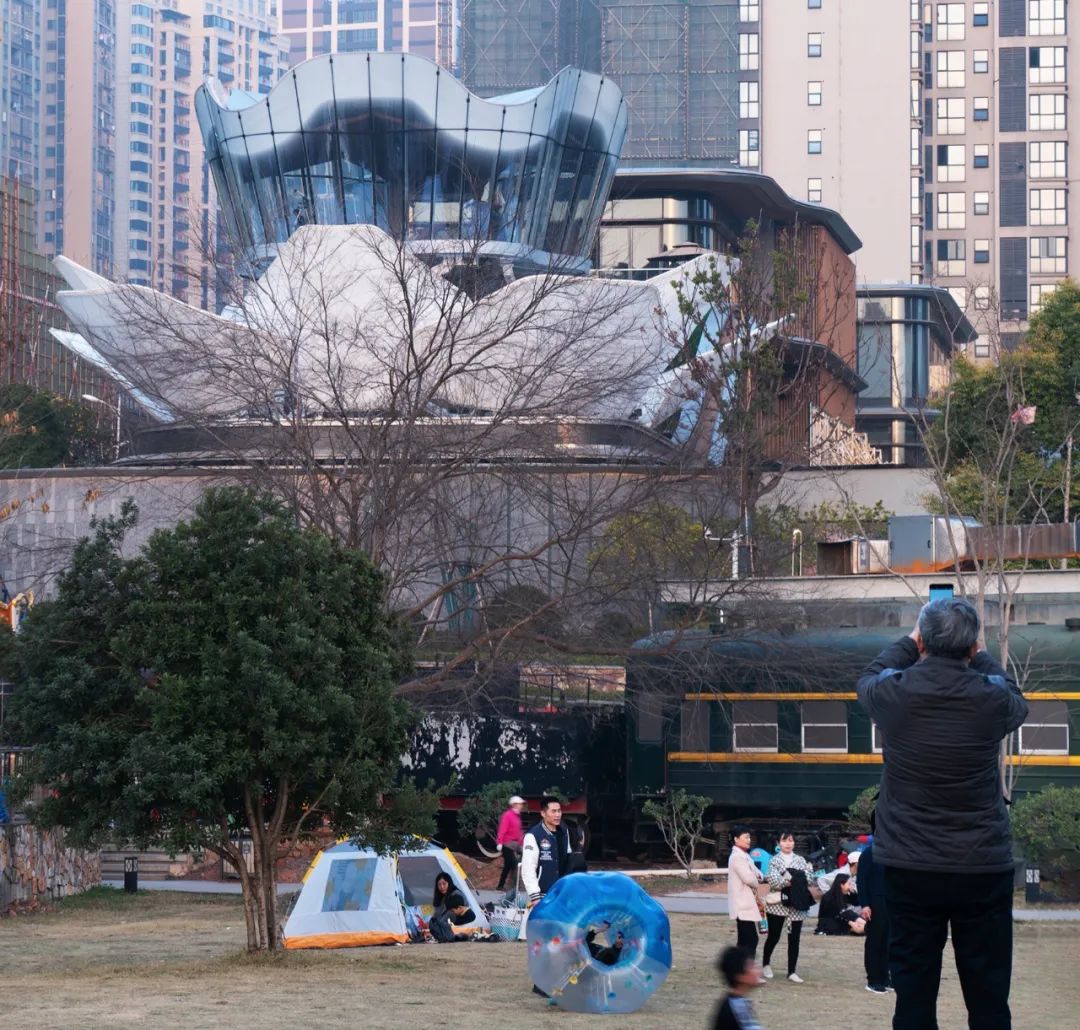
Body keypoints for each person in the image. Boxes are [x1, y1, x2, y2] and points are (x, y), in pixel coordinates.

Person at [857, 598, 1028, 1030]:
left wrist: (909, 643)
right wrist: (981, 653)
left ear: (923, 642)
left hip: (909, 865)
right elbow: (1015, 696)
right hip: (981, 865)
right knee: (989, 1000)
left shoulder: (894, 694)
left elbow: (867, 677)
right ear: (971, 646)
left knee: (913, 997)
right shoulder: (990, 698)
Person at [761, 830, 814, 983]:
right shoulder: (774, 860)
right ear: (779, 843)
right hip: (777, 904)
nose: (788, 843)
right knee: (774, 936)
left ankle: (792, 971)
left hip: (797, 904)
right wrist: (794, 878)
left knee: (794, 939)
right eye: (784, 840)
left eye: (790, 840)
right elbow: (774, 881)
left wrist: (789, 877)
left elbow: (809, 878)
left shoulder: (801, 860)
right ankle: (766, 964)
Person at [521, 795, 572, 906]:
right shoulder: (533, 835)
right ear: (543, 813)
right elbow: (528, 869)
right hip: (543, 896)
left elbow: (568, 859)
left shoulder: (564, 831)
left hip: (562, 894)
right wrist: (535, 897)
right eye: (553, 811)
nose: (557, 815)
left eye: (559, 811)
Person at [726, 826, 765, 962]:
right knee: (751, 940)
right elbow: (749, 878)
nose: (749, 840)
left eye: (749, 837)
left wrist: (758, 877)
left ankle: (738, 968)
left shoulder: (745, 856)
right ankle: (746, 969)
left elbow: (758, 874)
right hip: (742, 905)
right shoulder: (737, 857)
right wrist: (758, 879)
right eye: (746, 837)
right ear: (736, 839)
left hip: (746, 904)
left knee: (744, 941)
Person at [858, 837, 891, 994]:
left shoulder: (894, 852)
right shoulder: (868, 853)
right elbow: (861, 880)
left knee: (888, 941)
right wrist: (864, 904)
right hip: (874, 903)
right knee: (875, 941)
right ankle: (873, 979)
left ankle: (885, 976)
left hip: (891, 902)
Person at [711, 945, 764, 1030]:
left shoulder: (739, 1002)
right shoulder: (736, 1007)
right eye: (752, 967)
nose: (758, 970)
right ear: (740, 976)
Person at [495, 794, 526, 891]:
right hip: (507, 844)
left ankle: (500, 886)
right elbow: (502, 829)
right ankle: (516, 887)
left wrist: (522, 844)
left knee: (507, 866)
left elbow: (518, 831)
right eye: (519, 804)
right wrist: (499, 842)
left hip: (515, 845)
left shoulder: (517, 816)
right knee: (514, 865)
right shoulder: (507, 815)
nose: (521, 806)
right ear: (514, 805)